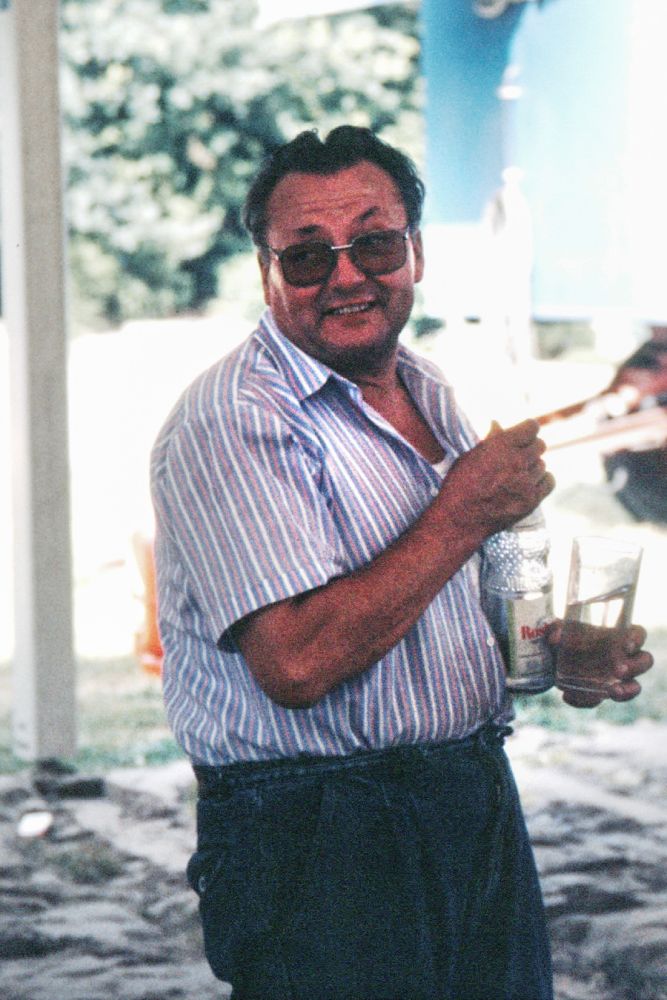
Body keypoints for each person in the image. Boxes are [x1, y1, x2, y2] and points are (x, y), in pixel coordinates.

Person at [150, 126, 653, 1000]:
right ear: (267, 276)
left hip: (468, 793)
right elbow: (297, 662)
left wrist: (559, 653)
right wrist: (462, 509)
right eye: (307, 256)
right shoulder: (234, 420)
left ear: (414, 252)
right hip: (316, 831)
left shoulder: (426, 386)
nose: (346, 276)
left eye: (374, 243)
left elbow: (450, 613)